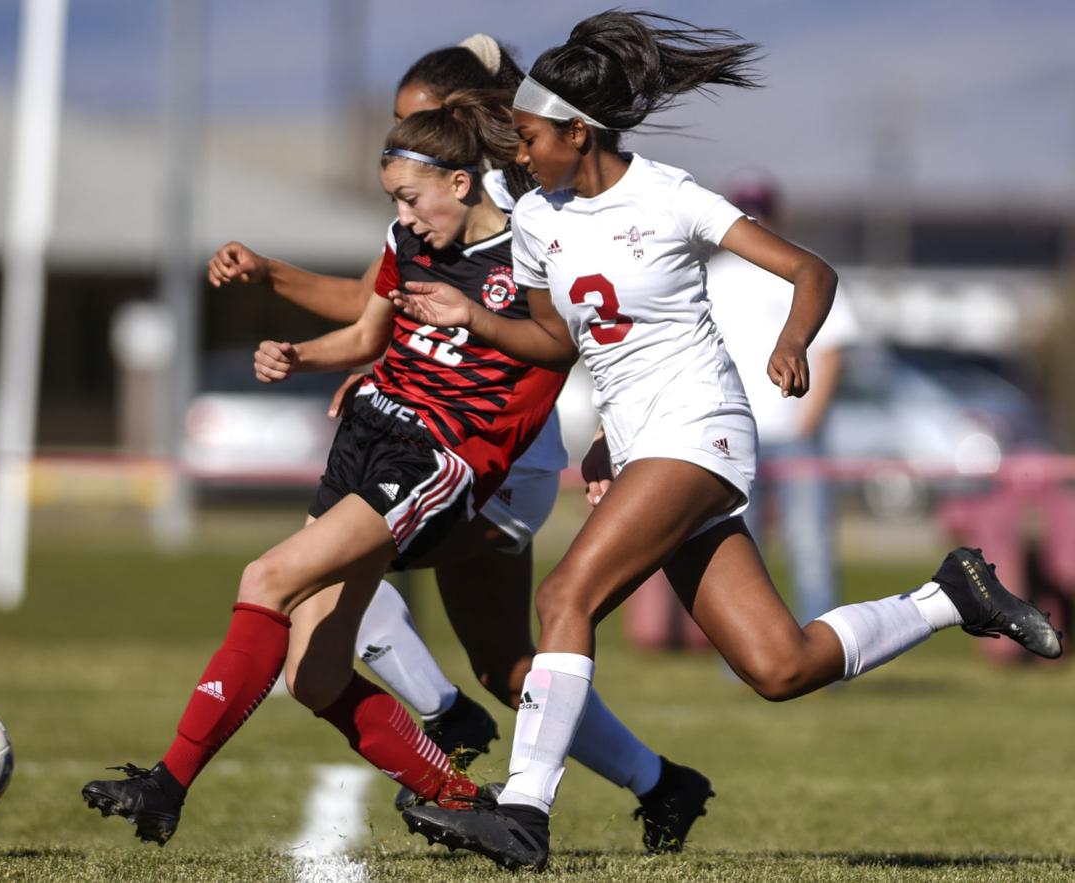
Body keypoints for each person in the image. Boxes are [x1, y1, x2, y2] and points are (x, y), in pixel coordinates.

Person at [394, 11, 1063, 871]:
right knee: (778, 665)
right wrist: (479, 322)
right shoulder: (536, 221)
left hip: (701, 430)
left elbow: (810, 271)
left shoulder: (670, 195)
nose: (519, 155)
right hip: (643, 446)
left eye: (528, 137)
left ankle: (523, 812)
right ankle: (952, 596)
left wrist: (791, 343)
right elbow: (559, 344)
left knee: (565, 597)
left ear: (577, 129)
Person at [206, 37, 714, 852]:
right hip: (466, 453)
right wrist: (321, 318)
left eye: (422, 122)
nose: (406, 139)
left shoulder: (527, 207)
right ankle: (663, 783)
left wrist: (613, 433)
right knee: (508, 664)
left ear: (463, 128)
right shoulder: (427, 205)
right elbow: (386, 304)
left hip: (505, 462)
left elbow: (565, 327)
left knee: (329, 564)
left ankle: (442, 716)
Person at [709, 172, 858, 623]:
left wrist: (808, 421)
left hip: (795, 434)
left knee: (810, 547)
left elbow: (833, 349)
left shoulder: (803, 270)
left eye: (762, 214)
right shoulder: (712, 277)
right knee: (738, 552)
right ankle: (747, 657)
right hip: (736, 433)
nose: (758, 222)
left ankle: (826, 651)